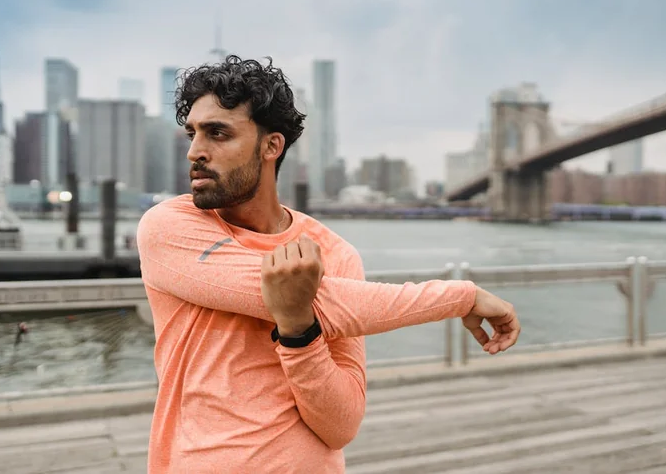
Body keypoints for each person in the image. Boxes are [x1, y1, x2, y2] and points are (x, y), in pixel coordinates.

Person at [136, 55, 520, 474]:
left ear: (271, 146)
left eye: (218, 133)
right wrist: (460, 295)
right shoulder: (168, 226)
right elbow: (302, 297)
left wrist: (299, 331)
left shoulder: (335, 254)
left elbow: (341, 426)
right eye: (191, 134)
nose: (195, 152)